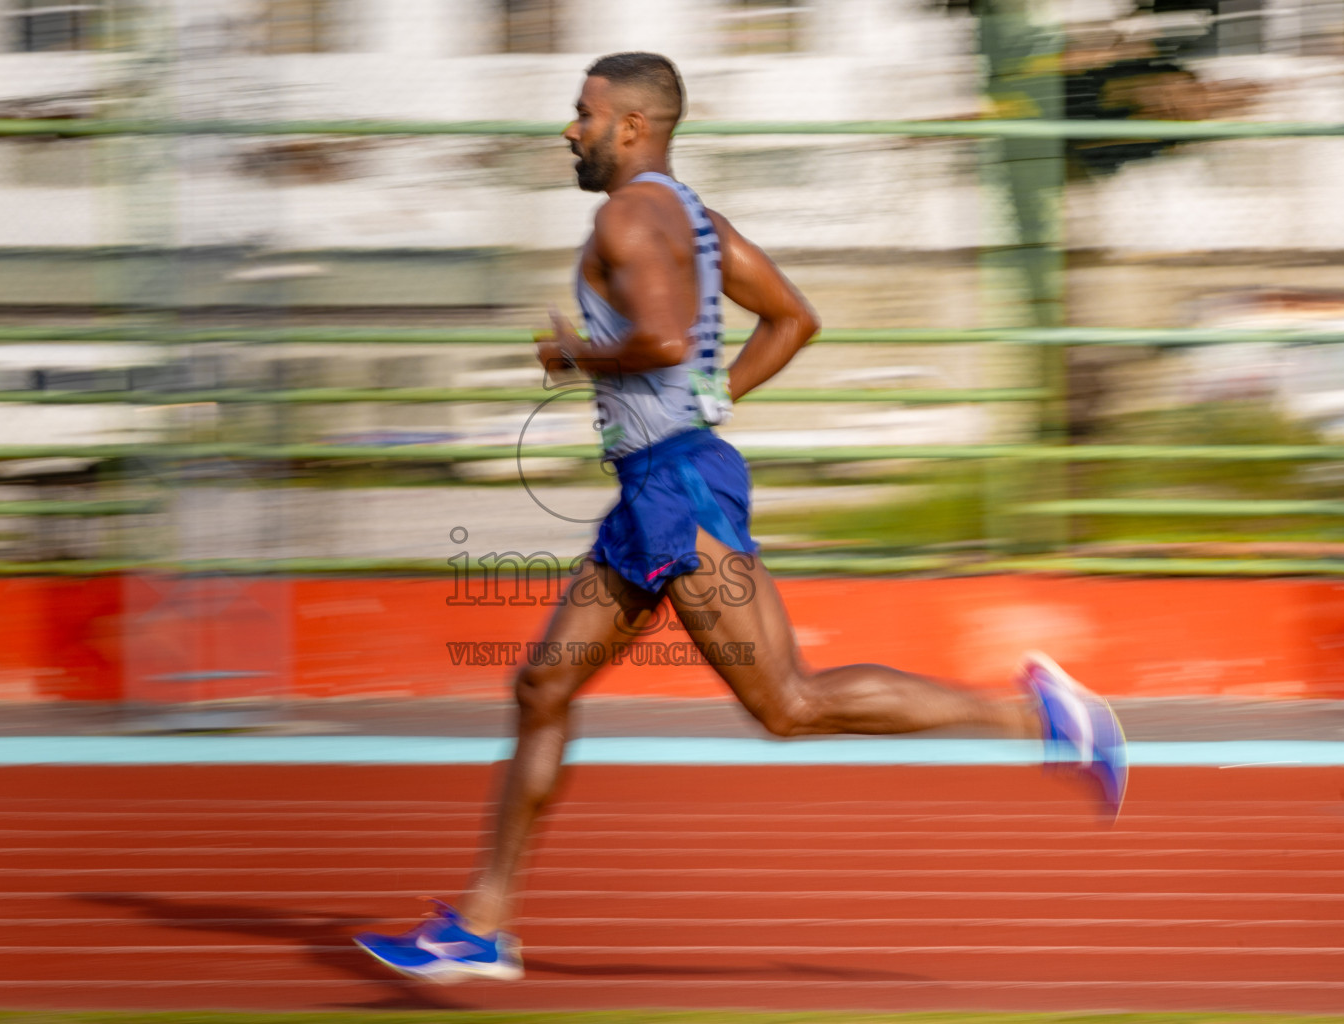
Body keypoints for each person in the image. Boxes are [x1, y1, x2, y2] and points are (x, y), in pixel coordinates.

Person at [355, 51, 1126, 985]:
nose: (570, 130)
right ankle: (482, 924)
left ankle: (1039, 718)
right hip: (658, 486)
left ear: (631, 126)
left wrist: (574, 360)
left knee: (787, 703)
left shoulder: (627, 213)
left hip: (675, 491)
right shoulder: (698, 222)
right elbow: (792, 320)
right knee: (541, 690)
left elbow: (665, 338)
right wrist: (713, 398)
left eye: (582, 114)